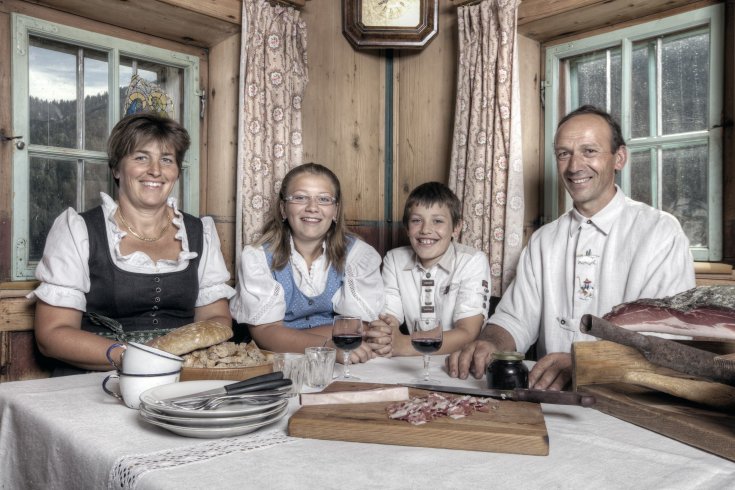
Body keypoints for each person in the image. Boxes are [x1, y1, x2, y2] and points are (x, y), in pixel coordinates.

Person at [447, 105, 696, 389]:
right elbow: (515, 318)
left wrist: (584, 363)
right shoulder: (544, 240)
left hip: (628, 399)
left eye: (589, 151)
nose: (574, 166)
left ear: (619, 158)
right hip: (549, 397)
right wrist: (490, 342)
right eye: (564, 154)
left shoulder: (660, 232)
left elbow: (663, 341)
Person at [31, 112, 235, 373]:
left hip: (182, 375)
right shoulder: (78, 230)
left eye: (167, 160)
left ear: (176, 172)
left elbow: (216, 319)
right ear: (116, 168)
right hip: (97, 377)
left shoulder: (199, 232)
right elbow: (52, 334)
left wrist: (176, 357)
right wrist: (135, 357)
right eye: (141, 157)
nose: (155, 170)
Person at [230, 163, 388, 363]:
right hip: (279, 361)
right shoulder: (257, 257)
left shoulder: (359, 255)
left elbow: (362, 326)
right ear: (283, 208)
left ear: (335, 211)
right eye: (300, 198)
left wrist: (286, 335)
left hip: (345, 359)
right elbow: (264, 333)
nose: (312, 207)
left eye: (323, 199)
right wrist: (328, 345)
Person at [371, 182, 490, 356]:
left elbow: (468, 333)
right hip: (410, 361)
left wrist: (404, 345)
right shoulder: (394, 259)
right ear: (407, 228)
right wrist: (385, 336)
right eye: (417, 221)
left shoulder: (472, 261)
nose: (426, 230)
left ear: (456, 228)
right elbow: (389, 319)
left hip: (454, 359)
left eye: (438, 221)